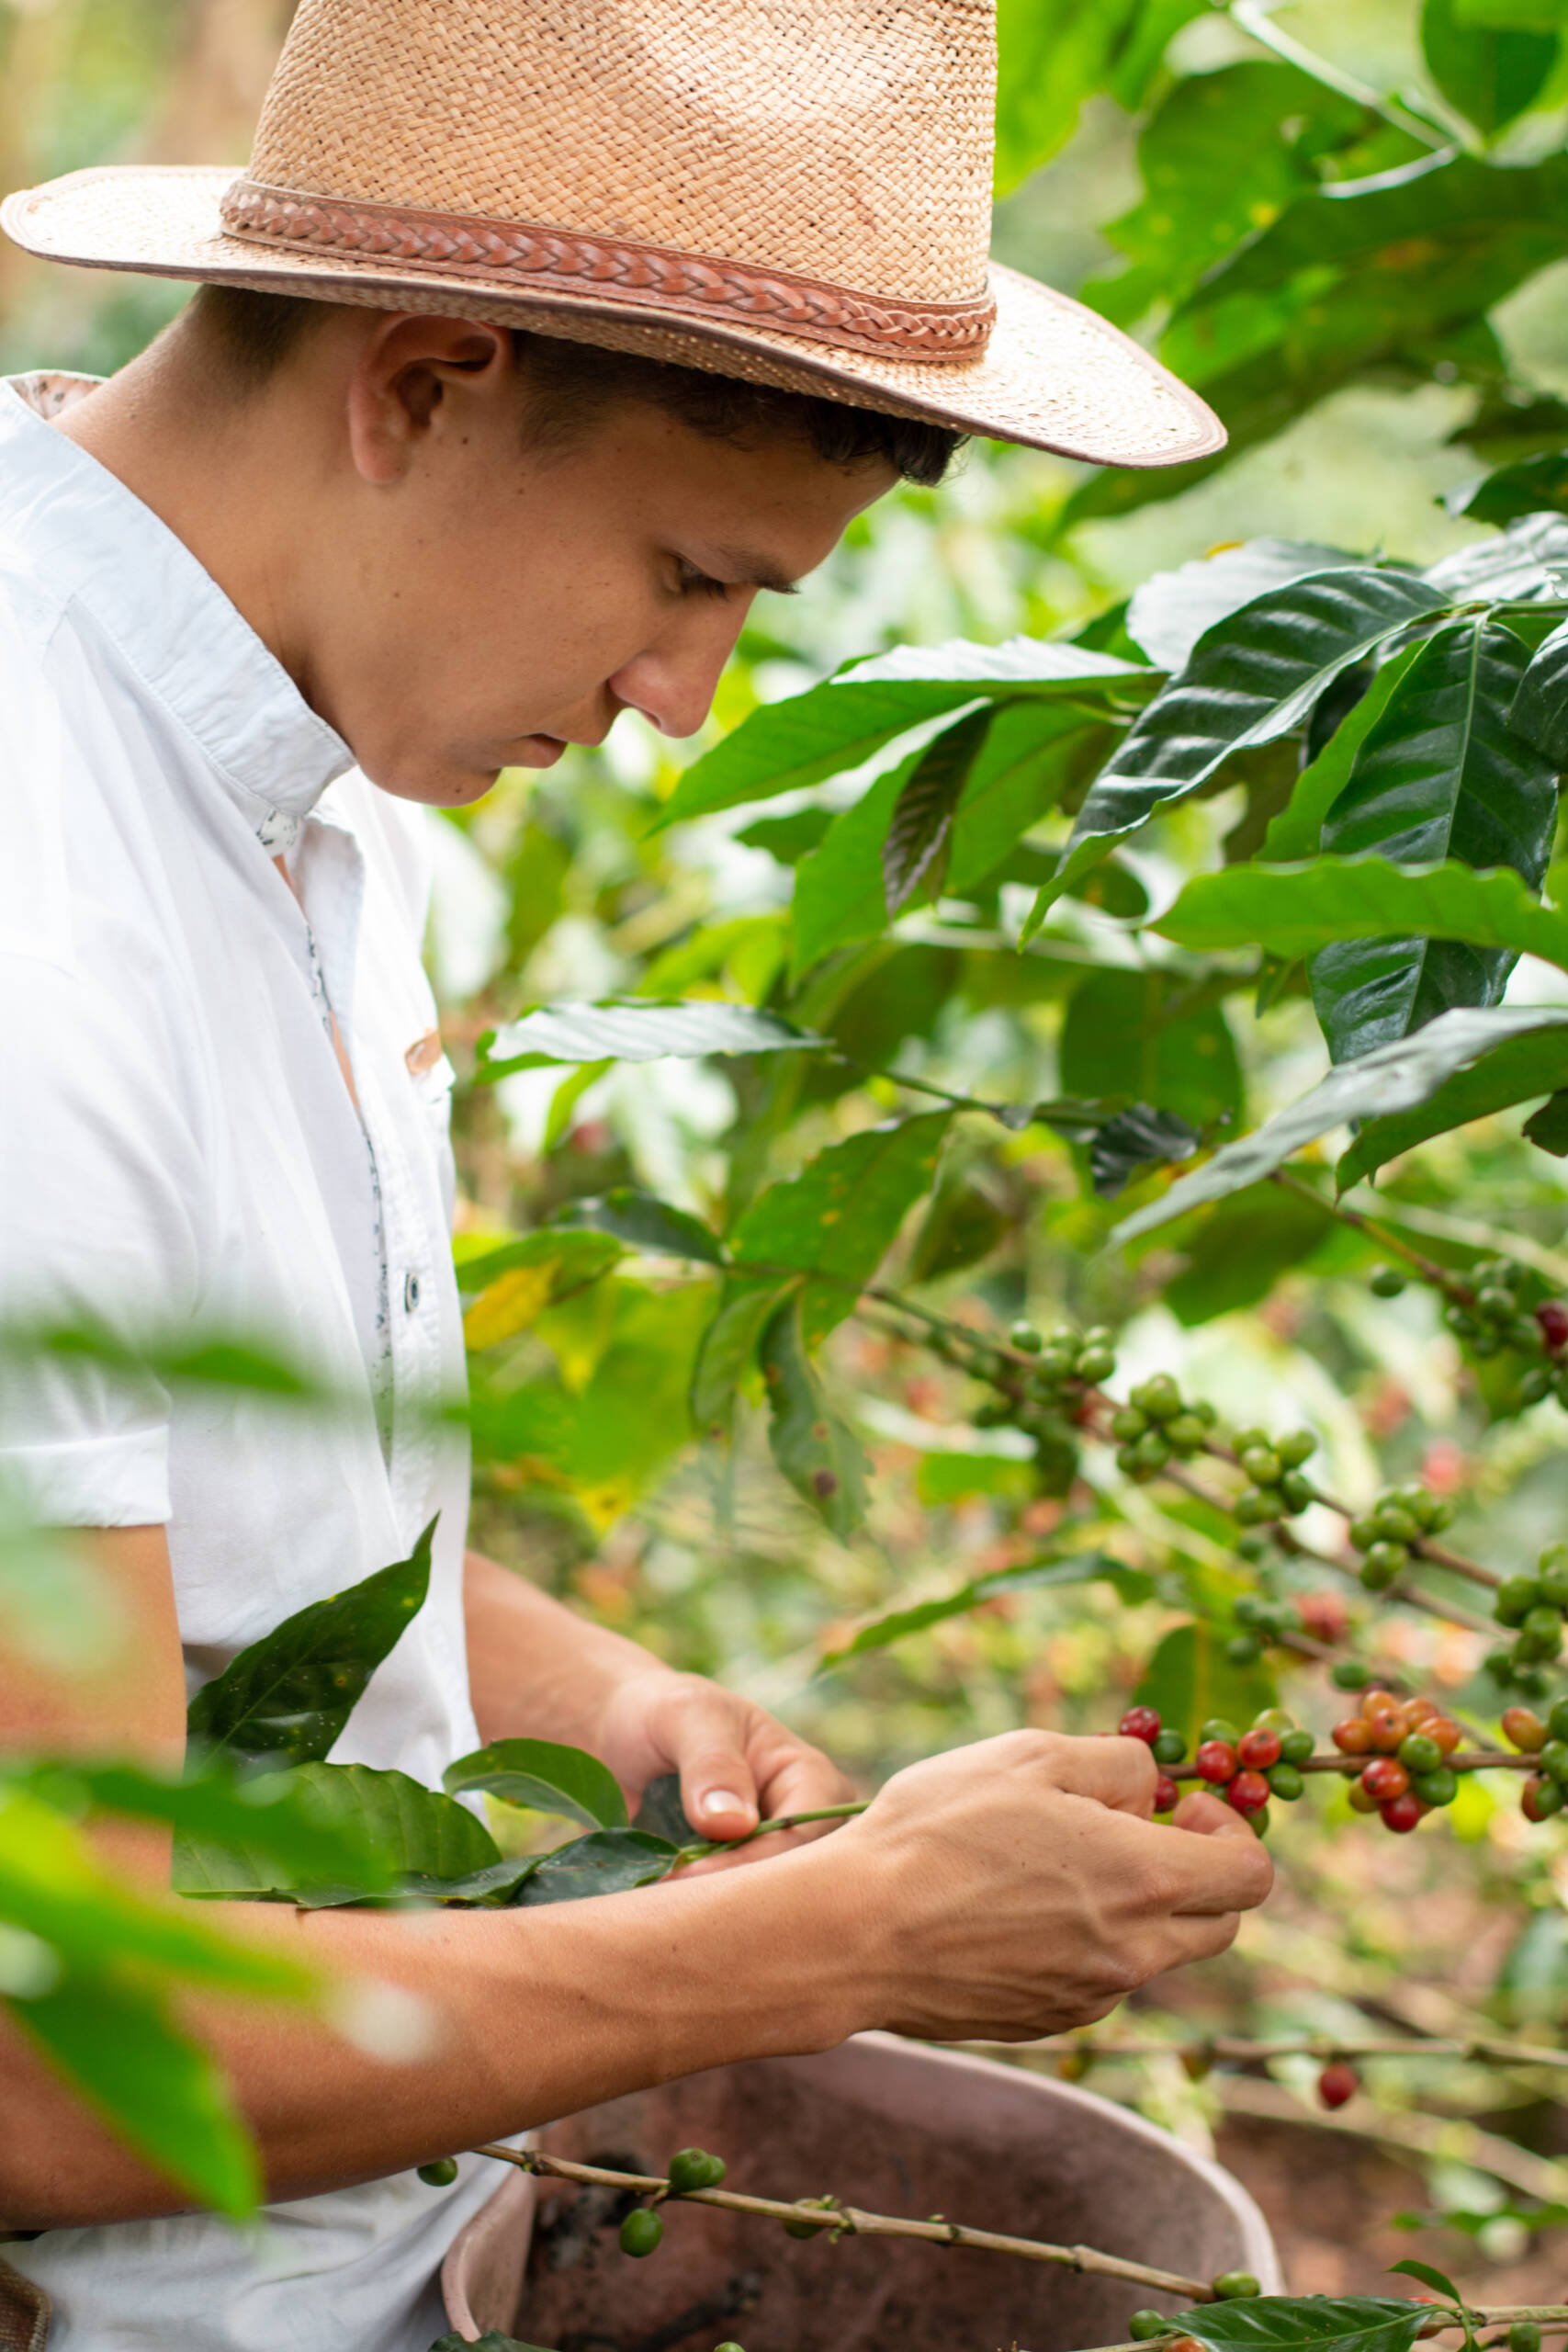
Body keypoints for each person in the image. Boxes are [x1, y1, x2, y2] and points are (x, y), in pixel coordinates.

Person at [0, 2, 1268, 2346]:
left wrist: (599, 1691)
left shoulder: (285, 764)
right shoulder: (34, 913)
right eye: (691, 576)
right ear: (420, 381)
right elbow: (42, 2071)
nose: (686, 694)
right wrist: (842, 1933)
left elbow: (161, 1516)